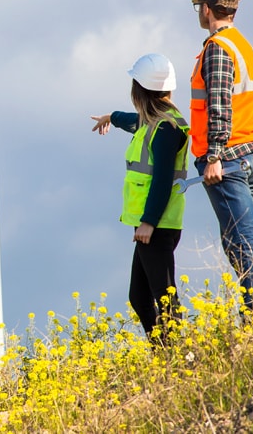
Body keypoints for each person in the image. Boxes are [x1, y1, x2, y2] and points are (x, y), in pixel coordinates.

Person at [91, 53, 189, 342]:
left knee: (164, 298)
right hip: (150, 225)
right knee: (139, 297)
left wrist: (148, 222)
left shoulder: (166, 130)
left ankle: (176, 358)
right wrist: (112, 117)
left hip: (157, 226)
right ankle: (163, 355)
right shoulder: (155, 122)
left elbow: (160, 180)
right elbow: (135, 121)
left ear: (139, 90)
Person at [190, 0, 253, 312]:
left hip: (228, 158)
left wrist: (214, 157)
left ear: (207, 9)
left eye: (198, 6)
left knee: (243, 242)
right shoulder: (246, 47)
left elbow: (221, 106)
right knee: (237, 240)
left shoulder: (218, 48)